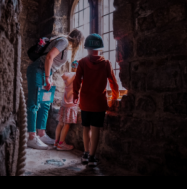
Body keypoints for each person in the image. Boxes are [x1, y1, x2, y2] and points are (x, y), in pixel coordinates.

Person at [27, 29, 84, 150]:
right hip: (38, 69)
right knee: (35, 103)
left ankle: (41, 135)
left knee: (46, 103)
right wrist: (47, 78)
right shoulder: (64, 41)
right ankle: (31, 137)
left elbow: (52, 63)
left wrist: (50, 77)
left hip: (46, 72)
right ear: (79, 41)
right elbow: (49, 57)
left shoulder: (66, 46)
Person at [73, 33, 119, 166]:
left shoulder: (82, 62)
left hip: (85, 102)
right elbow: (113, 82)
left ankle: (85, 154)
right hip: (99, 103)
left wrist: (75, 95)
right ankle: (92, 157)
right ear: (100, 48)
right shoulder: (106, 63)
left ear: (87, 48)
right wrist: (115, 97)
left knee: (86, 128)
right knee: (96, 129)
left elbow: (77, 81)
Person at [54, 60, 80, 151]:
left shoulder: (66, 75)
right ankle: (61, 144)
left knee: (60, 123)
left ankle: (56, 142)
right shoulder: (78, 77)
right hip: (71, 104)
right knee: (66, 124)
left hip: (63, 103)